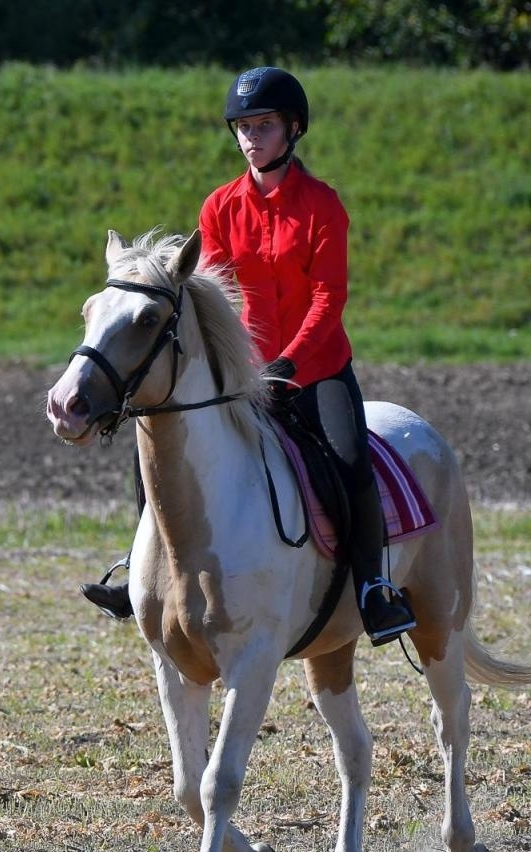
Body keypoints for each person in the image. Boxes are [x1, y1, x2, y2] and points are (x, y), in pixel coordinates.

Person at [80, 66, 416, 646]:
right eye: (242, 127)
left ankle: (372, 589)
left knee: (349, 457)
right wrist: (234, 366)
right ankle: (137, 570)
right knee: (158, 446)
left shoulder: (323, 207)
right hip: (239, 374)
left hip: (315, 371)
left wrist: (289, 361)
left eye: (263, 125)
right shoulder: (218, 208)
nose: (251, 137)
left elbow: (328, 297)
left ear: (293, 129)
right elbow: (214, 299)